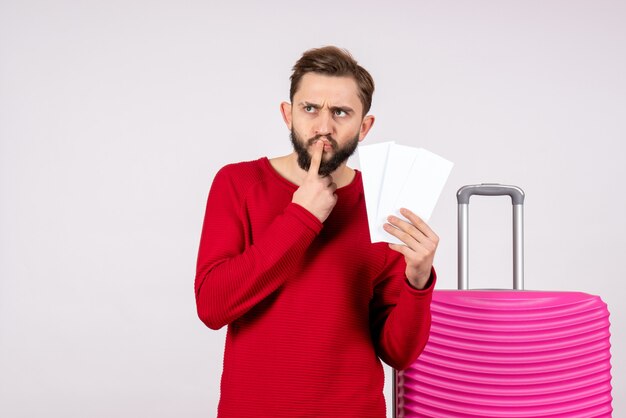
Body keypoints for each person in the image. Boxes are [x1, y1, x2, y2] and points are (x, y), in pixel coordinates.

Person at [195, 46, 438, 417]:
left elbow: (398, 353)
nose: (324, 126)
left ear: (364, 126)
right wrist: (301, 217)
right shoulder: (238, 183)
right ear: (288, 114)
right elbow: (212, 306)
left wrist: (418, 282)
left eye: (341, 112)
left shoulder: (384, 200)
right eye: (310, 109)